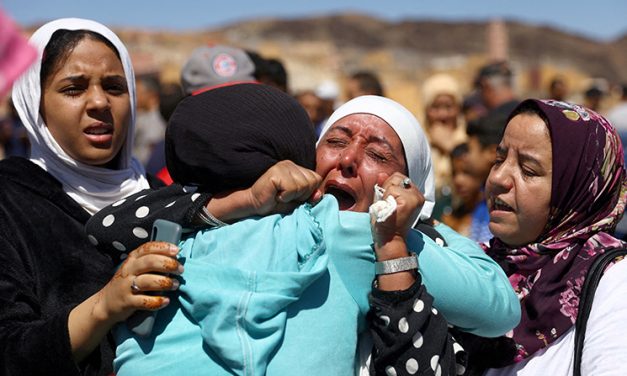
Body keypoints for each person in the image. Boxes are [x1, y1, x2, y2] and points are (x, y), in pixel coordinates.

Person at [88, 91, 520, 375]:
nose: (349, 160)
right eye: (336, 142)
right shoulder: (353, 233)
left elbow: (107, 226)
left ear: (411, 180)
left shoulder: (184, 221)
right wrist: (416, 223)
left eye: (377, 153)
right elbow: (500, 307)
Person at [0, 18, 185, 375]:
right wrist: (105, 307)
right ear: (34, 104)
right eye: (74, 88)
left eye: (115, 87)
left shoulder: (163, 199)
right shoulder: (10, 199)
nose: (99, 102)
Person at [461, 99, 627, 375]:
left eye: (528, 170)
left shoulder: (613, 284)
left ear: (578, 190)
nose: (499, 178)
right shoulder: (478, 266)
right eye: (499, 159)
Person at [421, 73, 467, 220]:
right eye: (435, 107)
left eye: (449, 107)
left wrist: (450, 148)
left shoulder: (470, 140)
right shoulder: (417, 141)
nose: (443, 115)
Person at [441, 143, 492, 244]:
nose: (458, 180)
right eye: (454, 173)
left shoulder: (491, 216)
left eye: (466, 172)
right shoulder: (450, 217)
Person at [133, 73, 167, 165]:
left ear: (151, 95)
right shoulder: (143, 116)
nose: (133, 97)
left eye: (137, 92)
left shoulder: (155, 120)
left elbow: (150, 154)